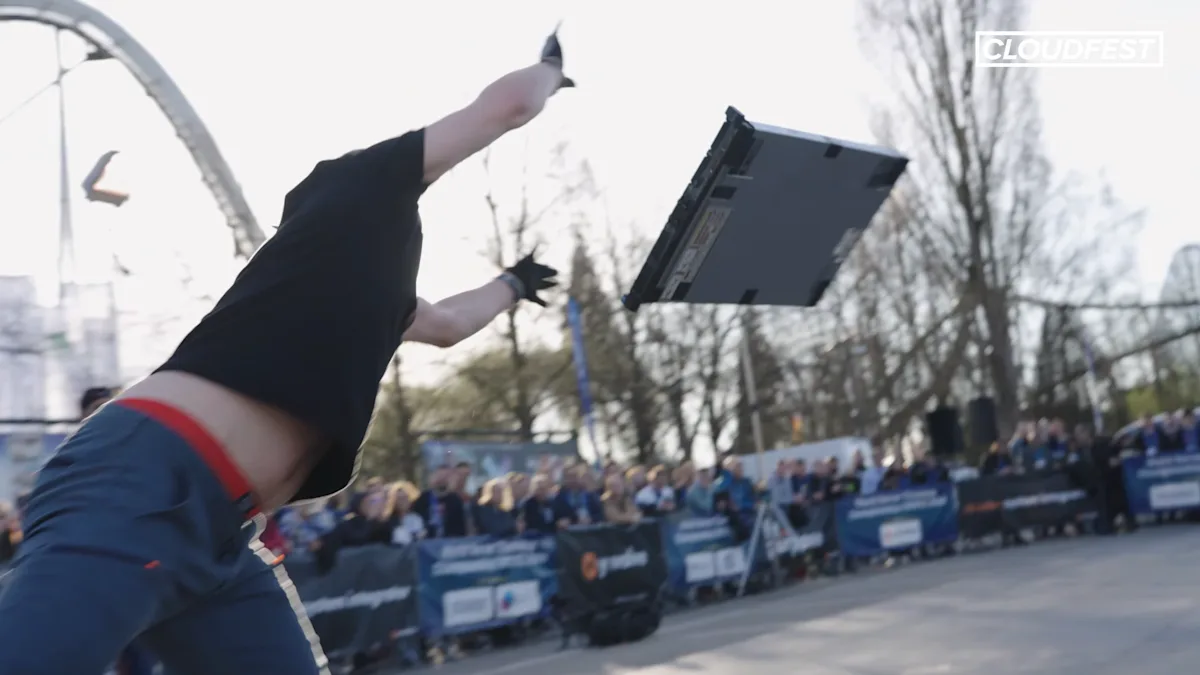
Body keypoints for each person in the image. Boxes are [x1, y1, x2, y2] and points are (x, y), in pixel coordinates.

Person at [0, 30, 575, 675]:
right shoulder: (360, 184)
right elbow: (508, 107)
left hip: (223, 529)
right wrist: (550, 72)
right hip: (139, 483)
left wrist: (511, 285)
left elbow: (446, 324)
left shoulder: (368, 294)